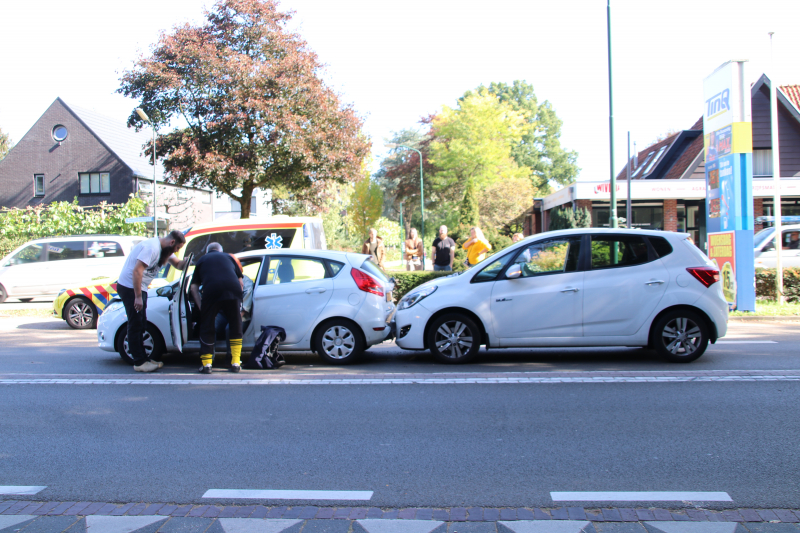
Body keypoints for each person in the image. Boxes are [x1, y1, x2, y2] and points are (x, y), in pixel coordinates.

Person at [117, 230, 188, 373]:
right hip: (130, 287)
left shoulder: (165, 250)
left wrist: (187, 261)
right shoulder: (152, 248)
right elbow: (137, 271)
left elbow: (178, 265)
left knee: (141, 323)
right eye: (177, 248)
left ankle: (145, 359)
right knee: (135, 324)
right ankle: (139, 362)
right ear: (172, 242)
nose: (176, 251)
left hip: (139, 287)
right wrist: (137, 297)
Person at [190, 243, 244, 374]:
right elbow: (240, 282)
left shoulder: (202, 260)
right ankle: (236, 362)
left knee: (207, 326)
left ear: (207, 252)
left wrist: (201, 306)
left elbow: (193, 287)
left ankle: (207, 364)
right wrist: (237, 300)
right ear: (221, 251)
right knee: (235, 325)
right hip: (233, 291)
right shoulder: (229, 257)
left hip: (212, 291)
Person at [215, 255, 255, 359]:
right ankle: (209, 358)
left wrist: (235, 318)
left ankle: (231, 357)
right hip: (223, 314)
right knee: (211, 325)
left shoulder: (246, 281)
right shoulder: (221, 279)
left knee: (231, 328)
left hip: (239, 314)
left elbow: (245, 306)